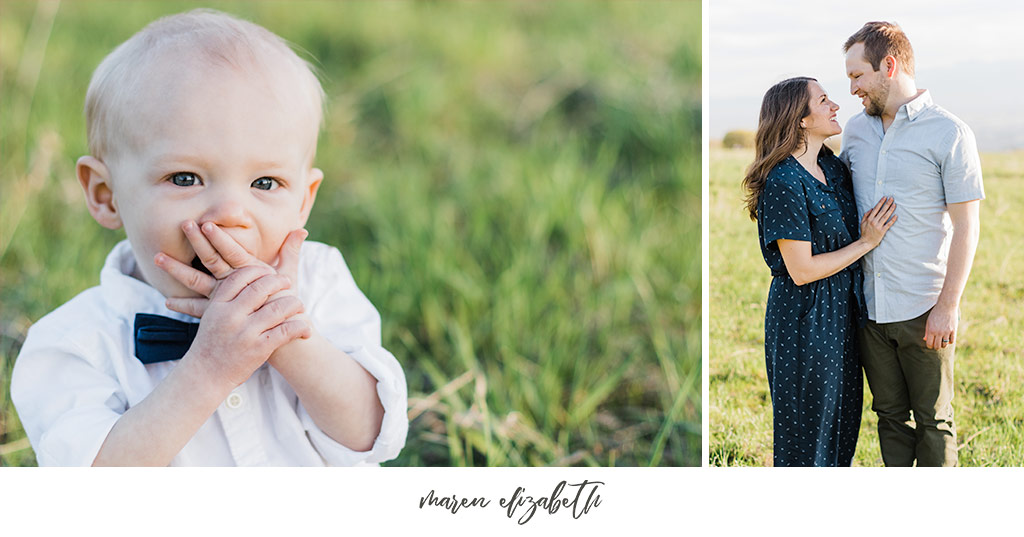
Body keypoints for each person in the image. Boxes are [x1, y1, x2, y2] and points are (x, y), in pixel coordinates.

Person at [11, 9, 409, 466]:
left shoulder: (320, 283)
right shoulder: (73, 344)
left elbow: (373, 433)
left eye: (264, 183)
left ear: (304, 199)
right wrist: (208, 370)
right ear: (107, 195)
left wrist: (285, 339)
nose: (230, 216)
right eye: (185, 178)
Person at [841, 22, 983, 467]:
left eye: (857, 76)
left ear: (889, 65)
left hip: (924, 308)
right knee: (888, 418)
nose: (852, 90)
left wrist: (948, 306)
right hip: (870, 309)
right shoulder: (855, 132)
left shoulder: (950, 134)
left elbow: (966, 226)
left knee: (934, 422)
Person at [743, 76, 897, 466]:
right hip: (805, 320)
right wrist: (866, 243)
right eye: (824, 100)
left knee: (842, 430)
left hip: (844, 318)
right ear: (800, 119)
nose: (835, 106)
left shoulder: (832, 167)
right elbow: (801, 269)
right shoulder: (783, 181)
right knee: (807, 441)